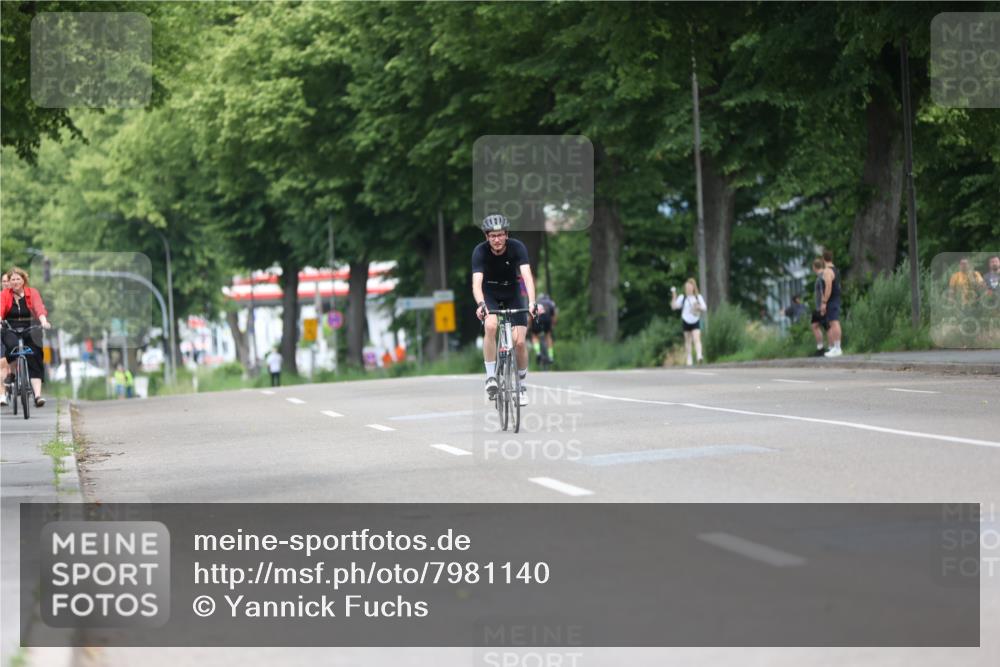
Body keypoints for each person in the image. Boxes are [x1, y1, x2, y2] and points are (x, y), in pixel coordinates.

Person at [472, 213, 539, 406]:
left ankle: (521, 385)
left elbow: (527, 277)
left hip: (513, 292)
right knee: (491, 326)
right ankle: (491, 377)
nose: (497, 239)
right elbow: (477, 284)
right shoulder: (480, 251)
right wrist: (481, 304)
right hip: (489, 294)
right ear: (486, 237)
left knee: (519, 342)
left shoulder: (517, 247)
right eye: (492, 236)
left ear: (506, 234)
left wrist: (532, 302)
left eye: (500, 235)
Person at [1, 267, 52, 407]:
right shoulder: (5, 294)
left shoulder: (32, 292)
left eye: (18, 279)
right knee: (11, 346)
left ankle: (37, 395)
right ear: (9, 282)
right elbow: (1, 308)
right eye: (12, 279)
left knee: (35, 354)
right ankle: (12, 373)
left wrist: (43, 322)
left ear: (24, 280)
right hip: (10, 327)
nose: (15, 282)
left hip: (30, 326)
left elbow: (38, 308)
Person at [670, 278, 707, 365]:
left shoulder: (698, 297)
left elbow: (704, 308)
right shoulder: (683, 298)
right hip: (686, 320)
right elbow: (674, 307)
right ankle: (689, 358)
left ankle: (699, 356)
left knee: (697, 338)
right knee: (688, 340)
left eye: (690, 287)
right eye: (687, 287)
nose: (688, 289)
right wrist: (674, 296)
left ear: (693, 287)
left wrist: (698, 307)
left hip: (695, 320)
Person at [820, 249, 843, 358]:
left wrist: (824, 301)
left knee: (834, 322)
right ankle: (835, 347)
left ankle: (838, 348)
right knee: (833, 322)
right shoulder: (836, 270)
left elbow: (828, 286)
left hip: (831, 300)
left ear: (823, 259)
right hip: (835, 298)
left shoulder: (827, 271)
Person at [809, 258, 830, 356]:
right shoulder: (821, 276)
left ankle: (828, 348)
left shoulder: (821, 276)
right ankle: (821, 348)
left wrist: (823, 304)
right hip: (819, 306)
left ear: (814, 267)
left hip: (821, 306)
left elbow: (823, 290)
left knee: (826, 327)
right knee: (815, 326)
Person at [530, 293, 557, 365]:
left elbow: (531, 316)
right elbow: (553, 316)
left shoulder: (536, 302)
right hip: (547, 319)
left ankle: (538, 352)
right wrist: (553, 325)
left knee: (535, 336)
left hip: (538, 319)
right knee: (548, 335)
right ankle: (551, 356)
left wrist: (530, 326)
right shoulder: (551, 303)